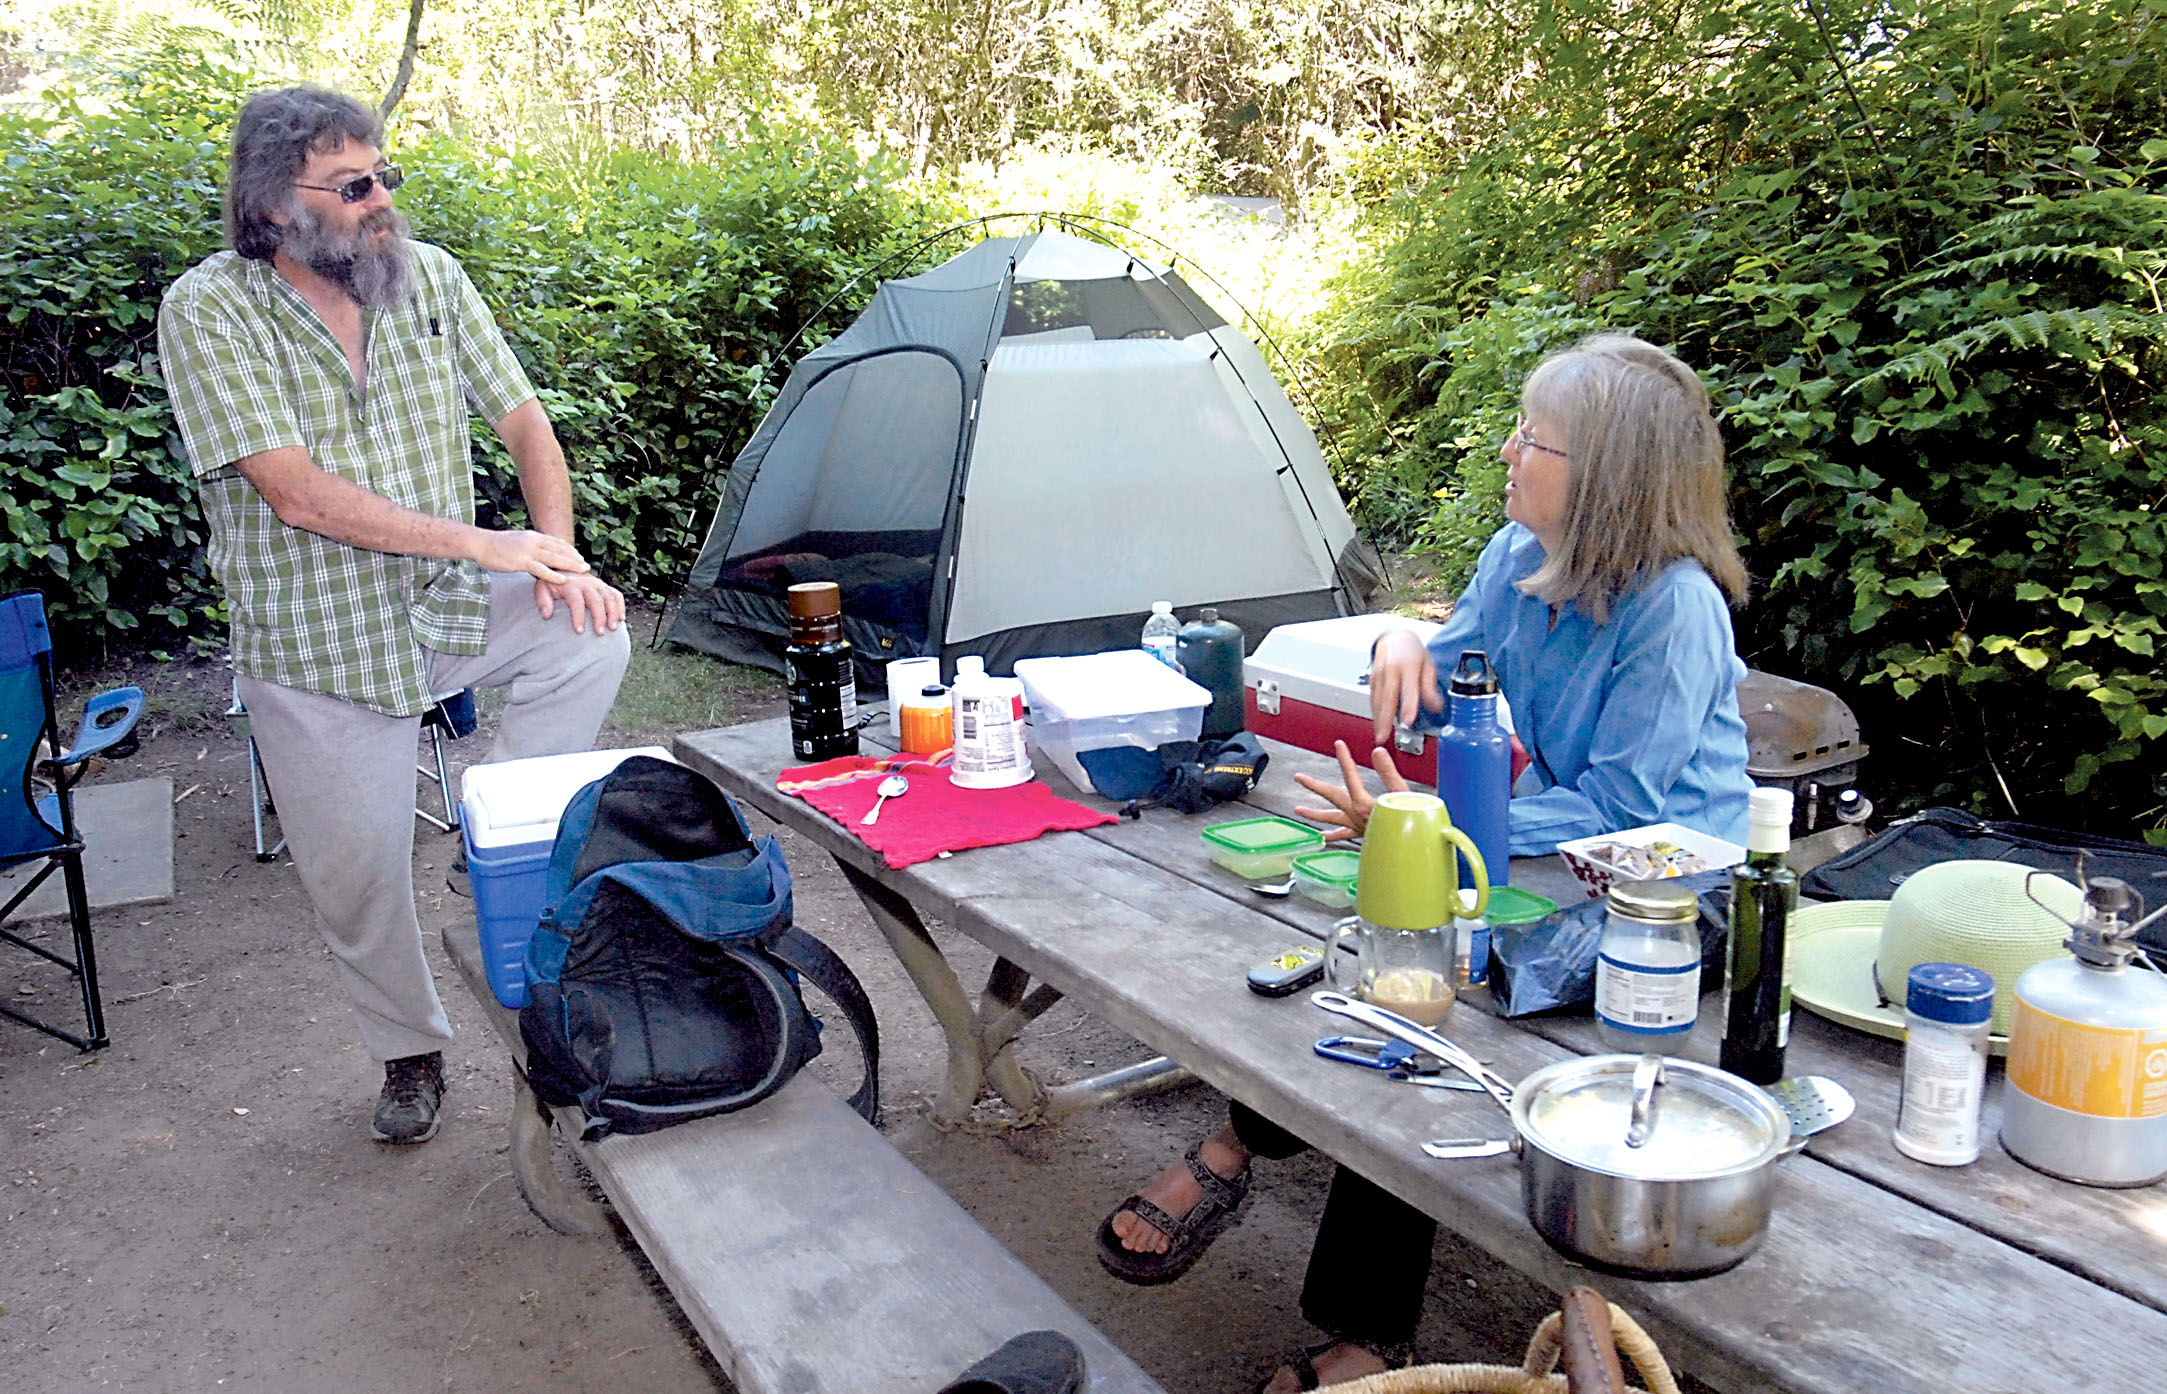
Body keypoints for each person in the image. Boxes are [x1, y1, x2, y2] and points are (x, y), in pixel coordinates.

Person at [1096, 333, 1753, 1391]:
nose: (1507, 449)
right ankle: (1235, 1156)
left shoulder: (1674, 608)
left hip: (1664, 905)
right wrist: (1398, 642)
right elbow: (1448, 678)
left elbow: (1627, 811)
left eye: (1533, 439)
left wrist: (1438, 819)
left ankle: (1346, 1301)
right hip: (1536, 858)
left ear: (1609, 481)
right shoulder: (1515, 558)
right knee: (1379, 974)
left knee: (1419, 1011)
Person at [157, 86, 630, 1145]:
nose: (383, 203)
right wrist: (487, 540)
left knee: (589, 630)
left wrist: (555, 555)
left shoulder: (432, 281)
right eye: (356, 185)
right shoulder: (208, 309)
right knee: (360, 881)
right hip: (313, 638)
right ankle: (409, 1047)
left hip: (445, 606)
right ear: (276, 207)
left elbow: (525, 424)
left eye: (388, 179)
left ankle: (490, 815)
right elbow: (297, 494)